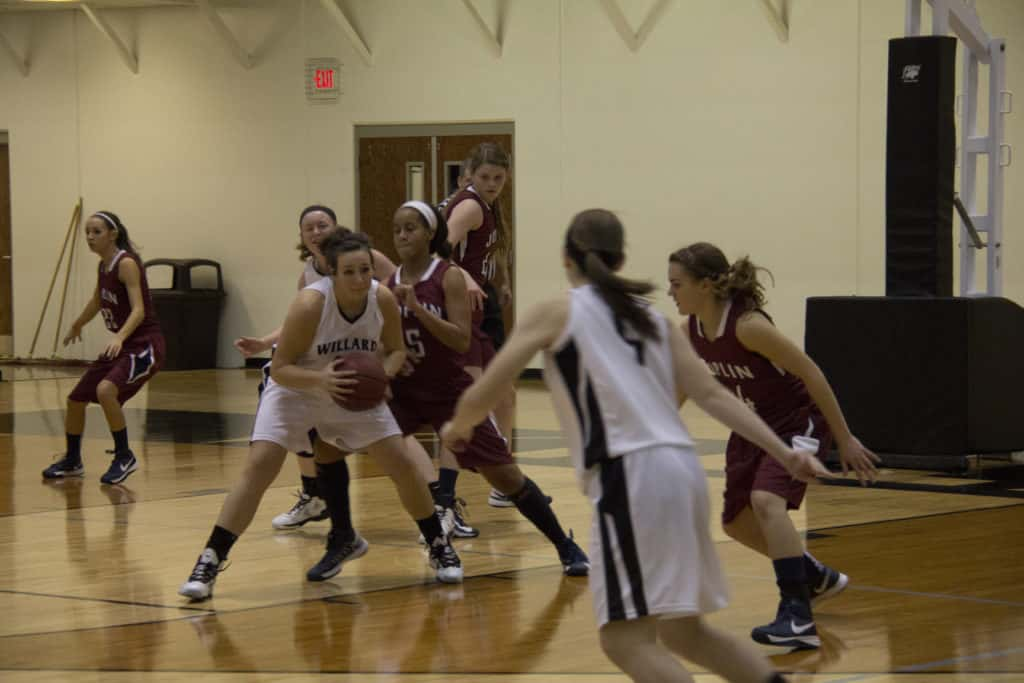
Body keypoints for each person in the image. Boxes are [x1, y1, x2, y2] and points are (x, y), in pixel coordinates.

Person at [442, 209, 827, 682]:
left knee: (623, 640)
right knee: (685, 634)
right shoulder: (656, 320)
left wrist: (458, 423)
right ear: (620, 259)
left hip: (631, 477)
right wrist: (783, 450)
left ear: (566, 257)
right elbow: (711, 395)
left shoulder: (557, 310)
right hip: (683, 474)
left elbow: (492, 385)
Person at [179, 229, 461, 601]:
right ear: (332, 272)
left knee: (400, 461)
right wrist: (320, 379)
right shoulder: (311, 305)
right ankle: (210, 560)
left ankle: (438, 544)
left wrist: (382, 376)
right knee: (260, 464)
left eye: (366, 270)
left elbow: (394, 351)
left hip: (348, 387)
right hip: (297, 386)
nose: (361, 279)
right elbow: (280, 368)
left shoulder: (383, 298)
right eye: (350, 272)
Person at [667, 242, 880, 648]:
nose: (671, 293)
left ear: (707, 285)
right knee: (735, 524)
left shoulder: (748, 326)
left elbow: (812, 373)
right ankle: (814, 577)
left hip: (797, 421)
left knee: (767, 502)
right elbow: (680, 390)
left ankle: (797, 615)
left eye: (677, 284)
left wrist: (844, 435)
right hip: (752, 426)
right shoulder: (689, 333)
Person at [388, 200, 588, 574]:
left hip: (450, 391)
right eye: (397, 228)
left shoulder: (445, 275)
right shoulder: (389, 281)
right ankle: (433, 541)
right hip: (405, 392)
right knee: (359, 448)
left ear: (431, 233)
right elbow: (386, 339)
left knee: (505, 476)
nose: (402, 235)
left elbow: (461, 341)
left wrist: (417, 309)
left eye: (410, 228)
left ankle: (564, 543)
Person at [233, 205, 396, 531]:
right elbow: (299, 326)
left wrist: (383, 349)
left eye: (323, 225)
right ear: (303, 238)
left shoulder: (367, 259)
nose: (317, 232)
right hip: (315, 362)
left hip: (363, 358)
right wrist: (264, 343)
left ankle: (438, 501)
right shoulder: (308, 275)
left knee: (393, 443)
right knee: (300, 424)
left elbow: (401, 284)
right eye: (310, 228)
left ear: (337, 229)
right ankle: (314, 496)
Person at [42, 211, 164, 485]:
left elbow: (139, 311)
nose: (90, 237)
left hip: (144, 345)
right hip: (123, 346)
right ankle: (73, 459)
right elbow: (98, 300)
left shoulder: (126, 263)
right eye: (87, 232)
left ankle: (124, 455)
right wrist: (77, 324)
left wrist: (119, 337)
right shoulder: (103, 266)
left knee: (106, 390)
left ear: (113, 234)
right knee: (75, 400)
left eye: (96, 231)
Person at [443, 142, 517, 509]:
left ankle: (502, 479)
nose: (492, 183)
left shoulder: (487, 205)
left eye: (498, 178)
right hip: (463, 308)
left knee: (502, 392)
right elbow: (437, 249)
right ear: (470, 175)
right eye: (485, 177)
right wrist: (464, 277)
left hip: (480, 304)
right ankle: (447, 495)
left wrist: (496, 279)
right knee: (475, 396)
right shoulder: (470, 205)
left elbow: (488, 249)